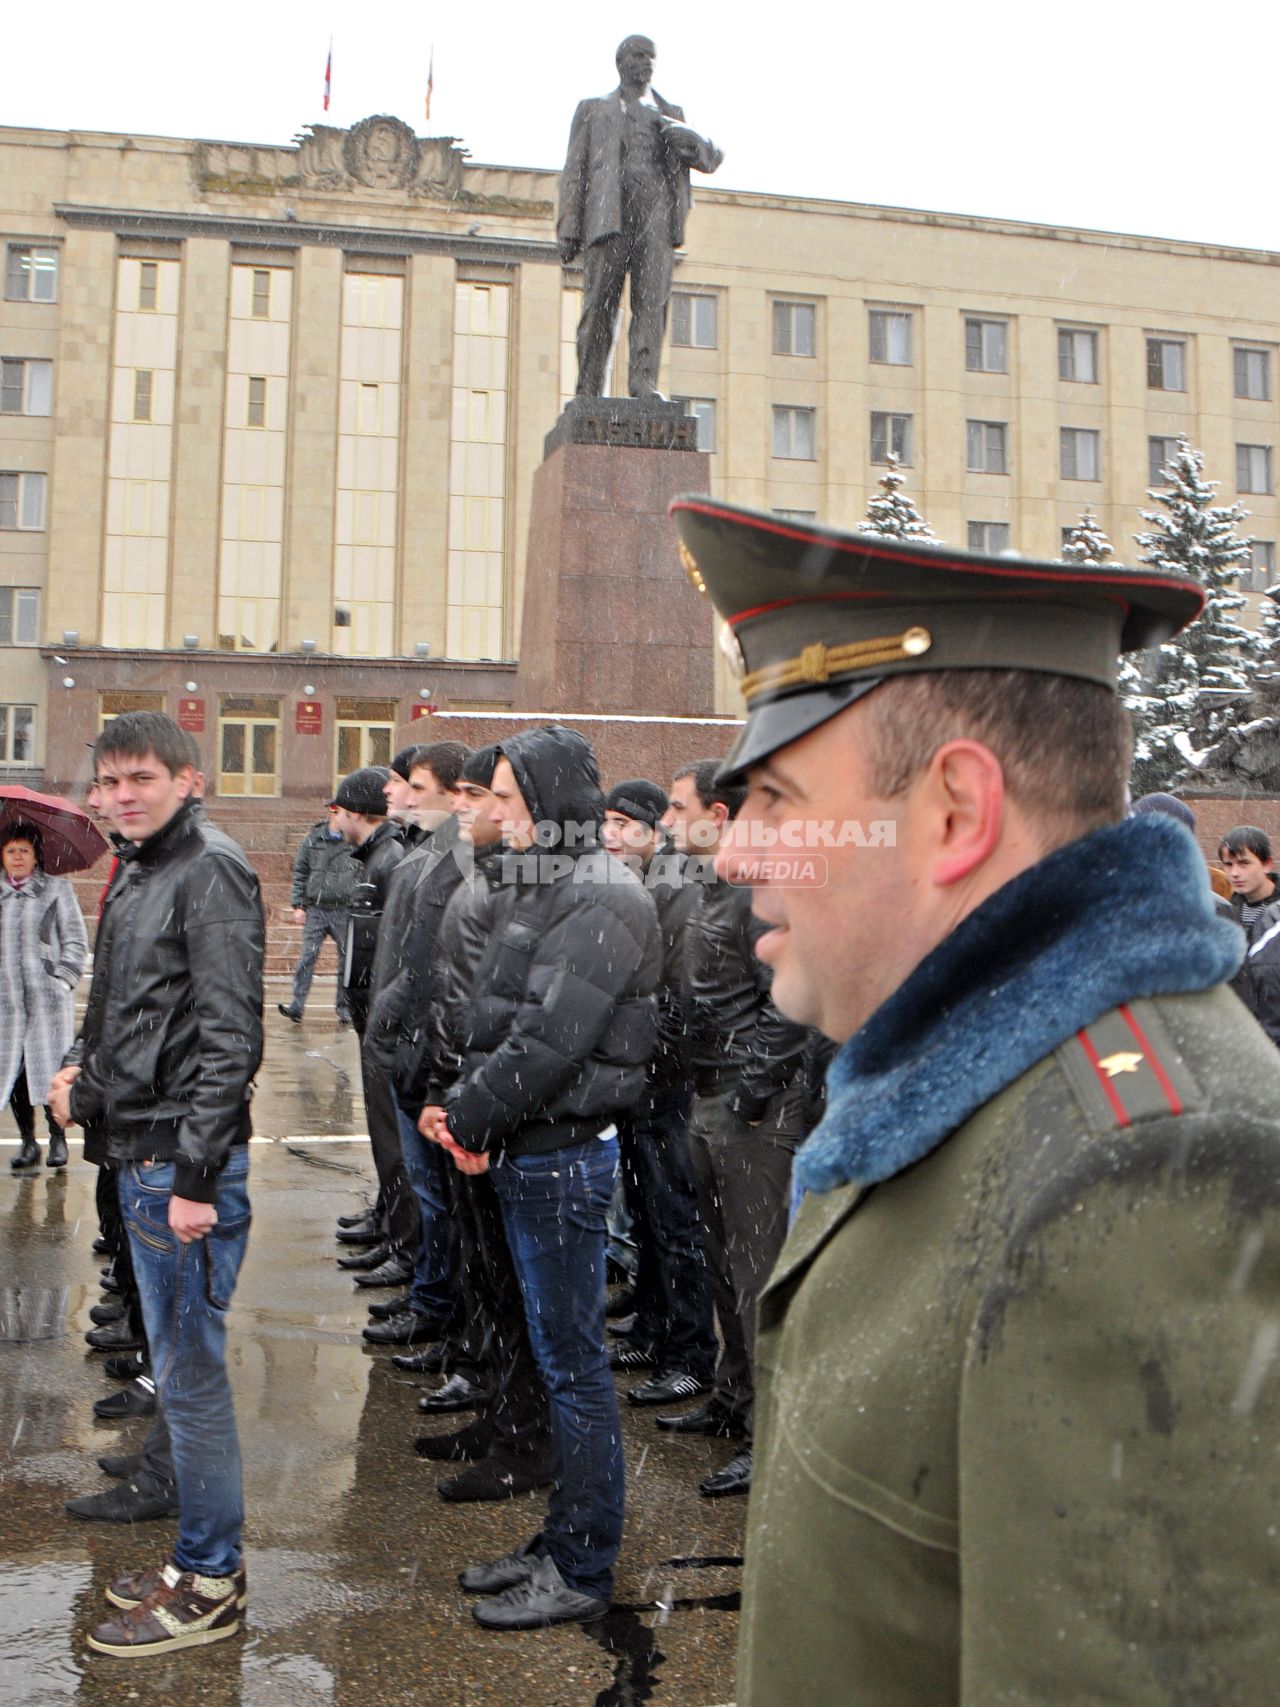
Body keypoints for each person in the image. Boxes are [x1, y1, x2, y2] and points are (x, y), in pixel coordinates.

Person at [669, 494, 1280, 1704]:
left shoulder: (1150, 1174)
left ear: (952, 812)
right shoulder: (977, 1089)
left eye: (778, 801)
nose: (735, 855)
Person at [421, 726, 661, 1630]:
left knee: (573, 1368)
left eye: (515, 800)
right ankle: (562, 1538)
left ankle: (584, 1560)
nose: (500, 814)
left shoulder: (601, 892)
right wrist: (461, 1108)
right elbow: (495, 1013)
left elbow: (550, 1038)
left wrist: (471, 1116)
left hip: (557, 1155)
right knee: (558, 1359)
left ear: (554, 803)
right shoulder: (549, 881)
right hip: (528, 1143)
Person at [49, 710, 264, 1657]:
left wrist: (197, 1176)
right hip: (140, 1148)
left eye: (141, 777)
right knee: (179, 1375)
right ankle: (191, 1556)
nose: (121, 794)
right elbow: (124, 1009)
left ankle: (212, 1578)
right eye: (108, 780)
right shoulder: (140, 865)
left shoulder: (207, 868)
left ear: (190, 778)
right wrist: (79, 1076)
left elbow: (229, 1038)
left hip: (176, 1164)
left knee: (193, 1379)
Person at [655, 758, 809, 1497]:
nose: (666, 820)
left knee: (758, 1277)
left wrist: (751, 1093)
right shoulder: (709, 888)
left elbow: (788, 1005)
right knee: (722, 1267)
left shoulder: (759, 891)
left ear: (720, 816)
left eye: (678, 806)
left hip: (752, 1108)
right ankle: (734, 1399)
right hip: (709, 1095)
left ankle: (769, 1435)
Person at [404, 745, 555, 1497]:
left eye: (493, 795)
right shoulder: (483, 876)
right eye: (469, 793)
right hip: (462, 1103)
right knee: (487, 1278)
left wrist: (475, 1108)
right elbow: (452, 998)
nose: (474, 807)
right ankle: (500, 1416)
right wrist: (439, 1088)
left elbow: (518, 1022)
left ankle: (528, 1441)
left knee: (516, 1288)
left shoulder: (532, 888)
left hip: (493, 1117)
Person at [599, 780, 717, 1409]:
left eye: (626, 823)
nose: (611, 834)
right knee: (646, 1216)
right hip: (643, 1082)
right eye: (607, 822)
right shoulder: (646, 883)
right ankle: (650, 1330)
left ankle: (690, 1355)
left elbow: (678, 1002)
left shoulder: (675, 889)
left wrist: (648, 1072)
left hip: (666, 1088)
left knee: (676, 1226)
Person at [360, 741, 472, 1345]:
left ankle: (440, 1310)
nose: (394, 793)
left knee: (443, 1201)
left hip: (430, 1054)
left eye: (414, 786)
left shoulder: (460, 863)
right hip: (412, 1047)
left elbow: (434, 973)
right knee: (432, 1196)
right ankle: (429, 1296)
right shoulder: (428, 855)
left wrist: (412, 1047)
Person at [558, 35, 722, 398]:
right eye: (638, 55)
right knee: (599, 306)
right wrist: (568, 226)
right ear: (620, 63)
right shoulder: (592, 109)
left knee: (651, 304)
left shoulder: (672, 115)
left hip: (657, 217)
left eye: (651, 56)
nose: (646, 62)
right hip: (608, 216)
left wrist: (692, 138)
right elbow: (574, 171)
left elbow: (710, 158)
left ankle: (644, 384)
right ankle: (588, 389)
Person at [330, 768, 409, 1287]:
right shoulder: (374, 858)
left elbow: (394, 954)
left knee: (394, 1138)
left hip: (385, 1021)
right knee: (384, 1138)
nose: (330, 817)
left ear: (357, 812)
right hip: (371, 1018)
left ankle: (404, 1243)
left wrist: (377, 1012)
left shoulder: (391, 860)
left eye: (336, 808)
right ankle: (389, 1219)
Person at [1, 822, 87, 1171]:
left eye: (24, 850)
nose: (17, 857)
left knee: (50, 1070)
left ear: (36, 855)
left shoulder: (56, 890)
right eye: (10, 851)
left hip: (47, 1005)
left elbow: (76, 941)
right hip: (7, 1006)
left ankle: (57, 1139)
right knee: (16, 1073)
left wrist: (62, 982)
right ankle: (27, 1142)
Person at [278, 803, 357, 1025]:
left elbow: (362, 870)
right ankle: (297, 1005)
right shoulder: (313, 839)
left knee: (347, 961)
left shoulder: (353, 840)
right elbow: (300, 872)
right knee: (307, 958)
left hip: (344, 909)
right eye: (345, 813)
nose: (349, 818)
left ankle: (344, 1008)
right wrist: (298, 905)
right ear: (333, 813)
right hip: (317, 909)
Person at [1219, 824, 1280, 1043]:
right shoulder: (1225, 911)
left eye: (1244, 863)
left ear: (1267, 864)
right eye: (1228, 864)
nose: (1235, 872)